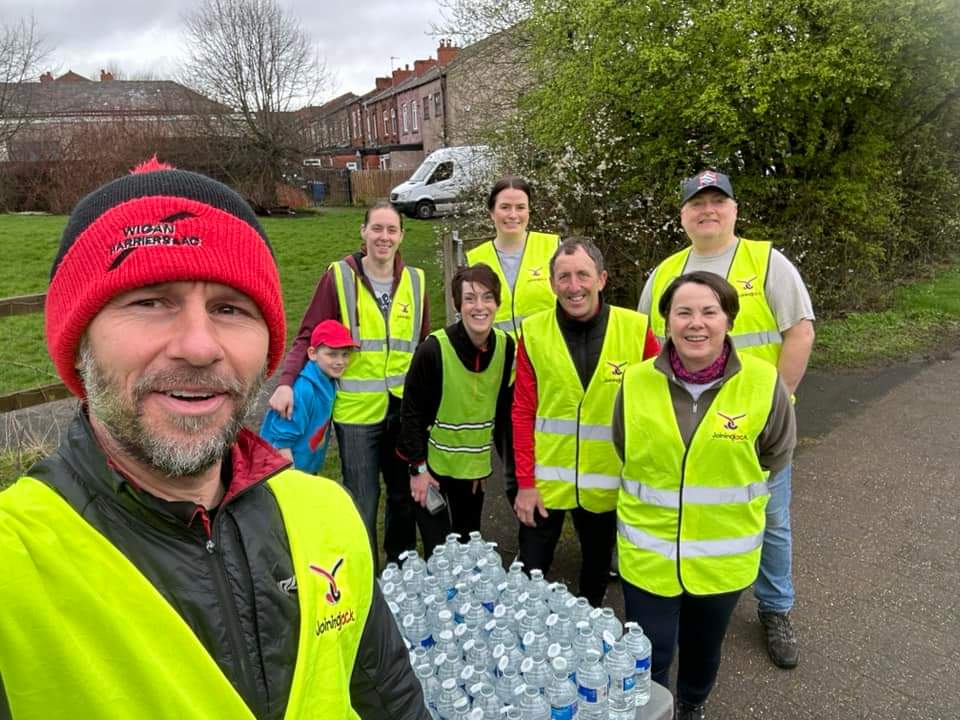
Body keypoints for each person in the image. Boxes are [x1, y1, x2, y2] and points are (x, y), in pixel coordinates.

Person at [0, 160, 428, 720]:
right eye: (151, 301)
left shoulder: (328, 516)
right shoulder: (16, 567)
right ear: (78, 339)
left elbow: (391, 701)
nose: (200, 346)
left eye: (230, 309)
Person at [638, 169, 815, 668]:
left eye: (718, 201)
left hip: (751, 426)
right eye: (698, 203)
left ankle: (775, 608)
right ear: (683, 216)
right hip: (681, 423)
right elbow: (648, 347)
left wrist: (774, 403)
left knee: (772, 519)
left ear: (734, 210)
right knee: (685, 508)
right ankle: (689, 590)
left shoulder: (767, 263)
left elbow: (799, 333)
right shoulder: (666, 271)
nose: (708, 210)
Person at [615, 271, 797, 720]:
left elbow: (776, 453)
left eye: (709, 311)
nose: (696, 323)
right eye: (684, 312)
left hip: (722, 559)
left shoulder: (763, 381)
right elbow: (624, 446)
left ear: (728, 319)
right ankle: (649, 710)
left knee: (702, 649)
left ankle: (691, 705)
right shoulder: (636, 382)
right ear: (667, 323)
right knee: (648, 650)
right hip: (648, 554)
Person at [268, 201, 429, 564]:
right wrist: (286, 382)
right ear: (363, 232)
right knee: (363, 496)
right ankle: (364, 570)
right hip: (357, 414)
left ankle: (401, 568)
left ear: (401, 235)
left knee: (402, 496)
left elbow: (423, 347)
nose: (384, 237)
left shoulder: (416, 281)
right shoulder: (339, 277)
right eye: (377, 229)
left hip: (402, 410)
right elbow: (307, 335)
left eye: (391, 230)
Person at [512, 237, 659, 608]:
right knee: (532, 569)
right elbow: (523, 412)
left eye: (582, 275)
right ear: (552, 283)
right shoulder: (532, 331)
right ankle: (530, 632)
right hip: (545, 481)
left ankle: (587, 630)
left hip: (607, 481)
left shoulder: (635, 329)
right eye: (563, 277)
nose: (573, 286)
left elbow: (657, 407)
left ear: (602, 279)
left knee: (596, 573)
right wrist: (525, 484)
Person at [397, 263, 515, 555]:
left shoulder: (506, 347)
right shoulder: (433, 349)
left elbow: (501, 413)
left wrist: (509, 470)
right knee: (439, 551)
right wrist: (418, 470)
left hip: (471, 472)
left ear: (497, 303)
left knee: (467, 547)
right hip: (431, 467)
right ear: (457, 304)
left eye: (487, 297)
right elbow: (410, 414)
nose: (480, 306)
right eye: (470, 298)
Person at [466, 176, 560, 339]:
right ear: (492, 213)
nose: (513, 214)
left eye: (520, 207)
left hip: (547, 358)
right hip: (498, 360)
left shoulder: (553, 248)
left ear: (529, 211)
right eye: (505, 207)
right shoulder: (475, 260)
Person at [260, 319, 358, 474]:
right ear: (312, 354)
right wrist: (293, 481)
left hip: (304, 468)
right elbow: (281, 443)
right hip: (284, 472)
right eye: (332, 354)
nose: (340, 362)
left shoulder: (328, 379)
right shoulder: (304, 390)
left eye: (345, 354)